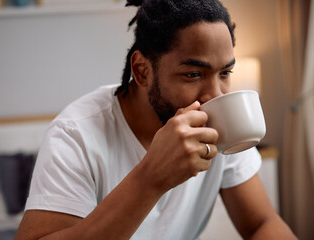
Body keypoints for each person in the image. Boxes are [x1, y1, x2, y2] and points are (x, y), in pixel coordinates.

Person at [15, 0, 297, 239]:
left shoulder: (221, 123)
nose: (215, 95)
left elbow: (261, 223)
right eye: (193, 74)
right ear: (141, 70)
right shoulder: (75, 134)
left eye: (225, 73)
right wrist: (150, 178)